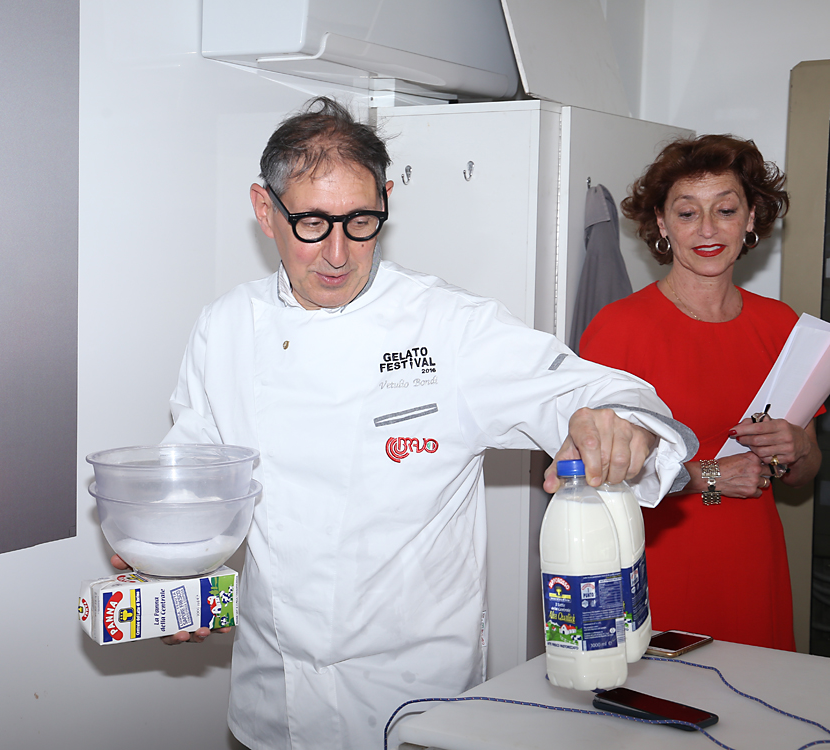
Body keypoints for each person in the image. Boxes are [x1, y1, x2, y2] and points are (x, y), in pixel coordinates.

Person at [118, 97, 691, 749]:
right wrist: (167, 562)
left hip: (416, 701)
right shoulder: (224, 328)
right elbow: (197, 475)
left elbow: (591, 390)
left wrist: (619, 424)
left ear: (386, 202)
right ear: (263, 210)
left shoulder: (447, 325)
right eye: (310, 223)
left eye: (360, 222)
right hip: (270, 699)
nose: (337, 253)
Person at [579, 134, 824, 651]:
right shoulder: (620, 329)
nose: (708, 230)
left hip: (754, 559)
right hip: (662, 558)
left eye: (726, 210)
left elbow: (803, 477)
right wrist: (708, 476)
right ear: (663, 226)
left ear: (752, 218)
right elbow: (594, 473)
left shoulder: (781, 326)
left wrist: (799, 449)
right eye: (688, 213)